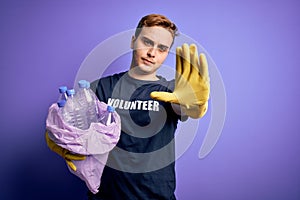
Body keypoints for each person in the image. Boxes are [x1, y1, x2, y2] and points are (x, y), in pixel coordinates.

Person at [46, 13, 210, 200]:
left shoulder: (172, 91)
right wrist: (57, 139)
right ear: (133, 41)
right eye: (147, 42)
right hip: (105, 196)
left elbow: (186, 108)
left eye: (162, 48)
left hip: (156, 196)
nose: (152, 53)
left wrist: (196, 106)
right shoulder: (100, 88)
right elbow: (69, 125)